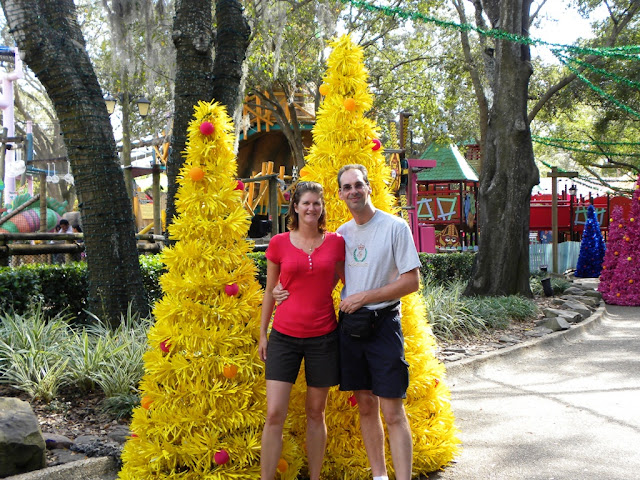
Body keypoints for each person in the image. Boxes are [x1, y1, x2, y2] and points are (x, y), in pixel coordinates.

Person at [275, 165, 420, 480]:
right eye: (346, 187)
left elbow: (411, 282)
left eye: (358, 185)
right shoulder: (340, 235)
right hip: (351, 327)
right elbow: (319, 273)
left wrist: (366, 296)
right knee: (365, 405)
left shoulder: (395, 227)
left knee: (393, 412)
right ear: (340, 195)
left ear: (368, 187)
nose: (353, 191)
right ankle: (379, 476)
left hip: (383, 323)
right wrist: (282, 290)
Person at [259, 181, 345, 480]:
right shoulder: (279, 243)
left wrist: (318, 292)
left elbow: (346, 281)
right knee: (274, 414)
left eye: (316, 204)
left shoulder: (335, 243)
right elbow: (271, 290)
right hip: (284, 337)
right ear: (295, 206)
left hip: (323, 338)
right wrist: (262, 334)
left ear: (322, 208)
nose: (311, 208)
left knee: (315, 412)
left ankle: (315, 477)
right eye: (306, 203)